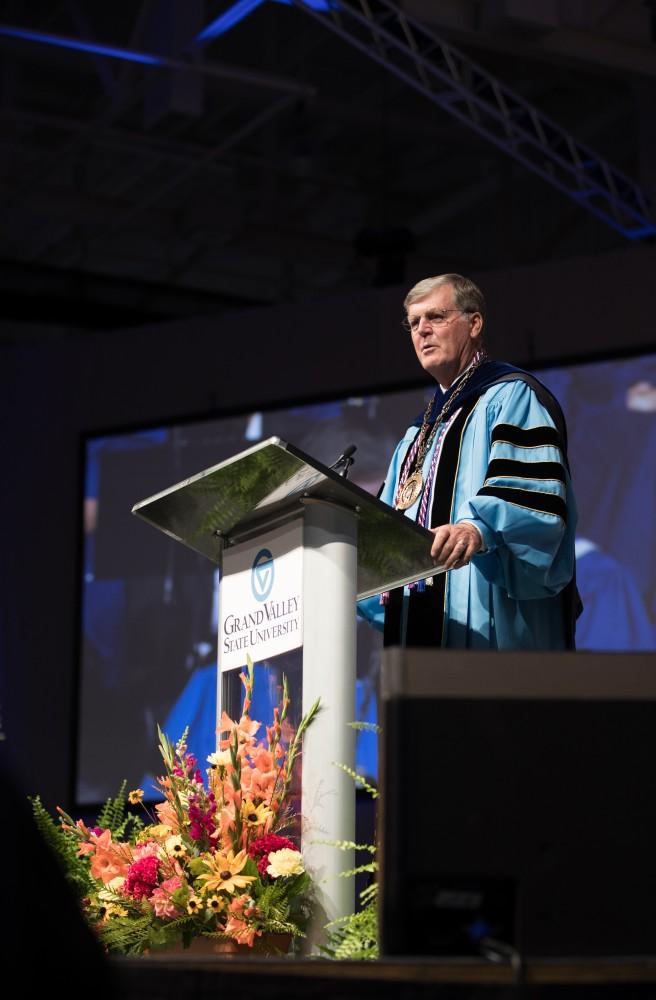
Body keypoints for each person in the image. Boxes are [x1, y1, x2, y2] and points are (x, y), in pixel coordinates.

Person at [359, 273, 578, 649]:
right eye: (414, 323)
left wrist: (477, 529)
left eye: (436, 317)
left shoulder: (512, 398)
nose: (422, 331)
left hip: (493, 623)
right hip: (422, 631)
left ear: (474, 323)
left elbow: (533, 494)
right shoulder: (416, 436)